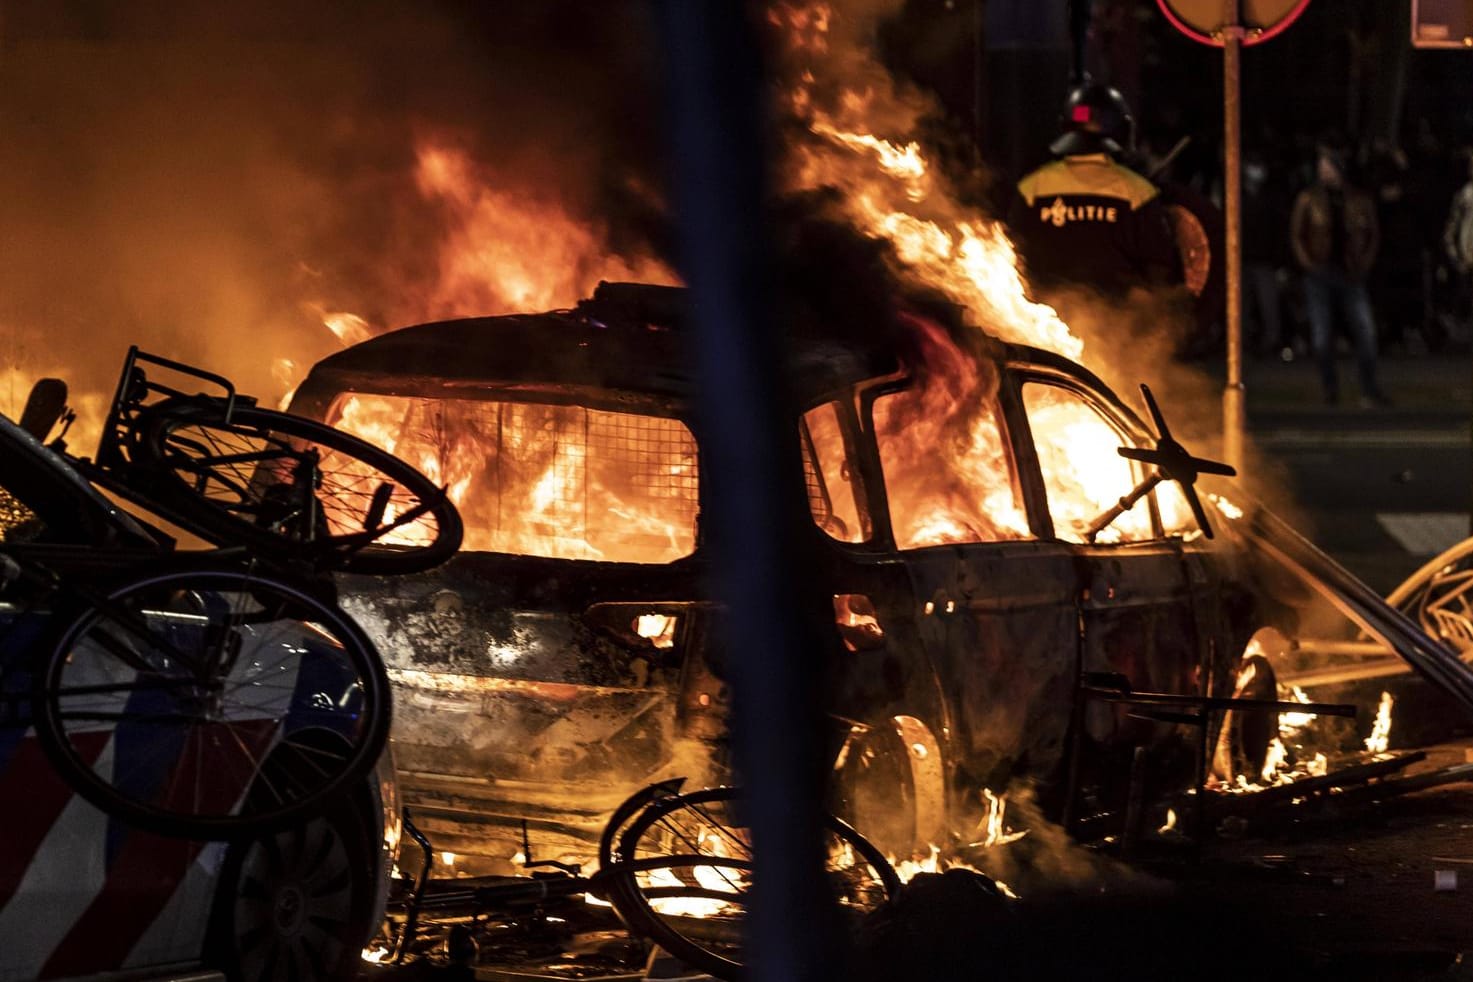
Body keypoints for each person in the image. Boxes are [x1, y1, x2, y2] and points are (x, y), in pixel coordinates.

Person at [1009, 82, 1182, 301]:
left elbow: (1012, 261)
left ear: (1065, 128)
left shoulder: (1031, 188)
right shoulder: (1138, 192)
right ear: (1124, 131)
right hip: (1118, 329)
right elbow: (1161, 274)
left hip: (1039, 326)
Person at [1288, 144, 1389, 407]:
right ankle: (1330, 390)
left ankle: (1368, 389)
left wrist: (1364, 263)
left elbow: (1373, 234)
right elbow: (1297, 234)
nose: (1325, 172)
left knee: (1365, 333)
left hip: (1351, 273)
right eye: (1321, 167)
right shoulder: (1309, 199)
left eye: (1329, 166)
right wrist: (1309, 264)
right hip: (1320, 274)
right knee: (1322, 337)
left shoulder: (1358, 199)